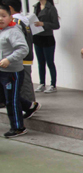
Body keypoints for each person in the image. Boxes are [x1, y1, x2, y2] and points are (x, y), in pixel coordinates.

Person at [2, 0, 41, 120]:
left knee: (24, 85)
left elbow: (22, 45)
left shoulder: (15, 22)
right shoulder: (23, 19)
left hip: (19, 59)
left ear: (9, 8)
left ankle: (30, 105)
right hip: (23, 57)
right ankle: (29, 105)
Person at [0, 4, 29, 138]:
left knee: (12, 100)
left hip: (12, 73)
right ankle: (30, 106)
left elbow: (23, 49)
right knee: (8, 97)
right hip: (2, 71)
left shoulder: (13, 31)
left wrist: (9, 59)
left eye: (3, 16)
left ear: (10, 16)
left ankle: (18, 127)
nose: (1, 19)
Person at [33, 0, 59, 93]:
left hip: (47, 38)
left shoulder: (51, 8)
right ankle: (42, 84)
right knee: (40, 62)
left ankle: (53, 85)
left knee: (50, 62)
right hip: (37, 37)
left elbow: (56, 25)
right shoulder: (36, 6)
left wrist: (43, 24)